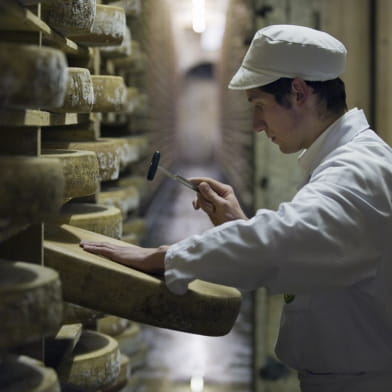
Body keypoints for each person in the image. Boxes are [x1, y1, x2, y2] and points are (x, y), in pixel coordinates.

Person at [80, 25, 392, 391]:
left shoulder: (357, 174)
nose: (258, 125)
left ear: (298, 92)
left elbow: (281, 242)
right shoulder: (344, 161)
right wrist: (238, 223)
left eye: (260, 107)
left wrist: (167, 257)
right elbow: (309, 252)